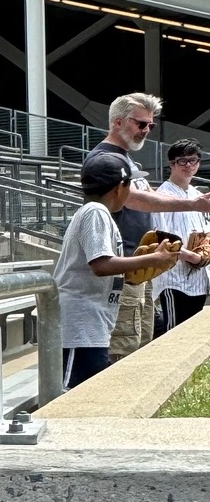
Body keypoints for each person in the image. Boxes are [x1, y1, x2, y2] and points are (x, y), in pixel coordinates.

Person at [90, 93, 210, 360]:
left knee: (141, 344)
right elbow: (135, 200)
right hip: (127, 268)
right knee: (129, 349)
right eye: (141, 123)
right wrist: (192, 205)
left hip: (140, 270)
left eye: (150, 125)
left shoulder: (126, 161)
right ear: (118, 122)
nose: (146, 130)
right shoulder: (105, 160)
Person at [54, 150, 178, 390]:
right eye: (130, 184)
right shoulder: (95, 212)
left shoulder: (99, 213)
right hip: (80, 324)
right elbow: (101, 264)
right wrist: (153, 259)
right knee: (75, 395)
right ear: (119, 187)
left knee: (91, 392)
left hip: (92, 324)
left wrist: (136, 270)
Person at [153, 139, 210, 333]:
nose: (188, 165)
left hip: (200, 279)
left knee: (193, 337)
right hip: (174, 279)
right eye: (182, 161)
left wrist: (203, 254)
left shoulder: (197, 194)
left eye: (193, 160)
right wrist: (190, 256)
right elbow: (160, 238)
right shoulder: (163, 195)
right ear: (172, 164)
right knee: (174, 335)